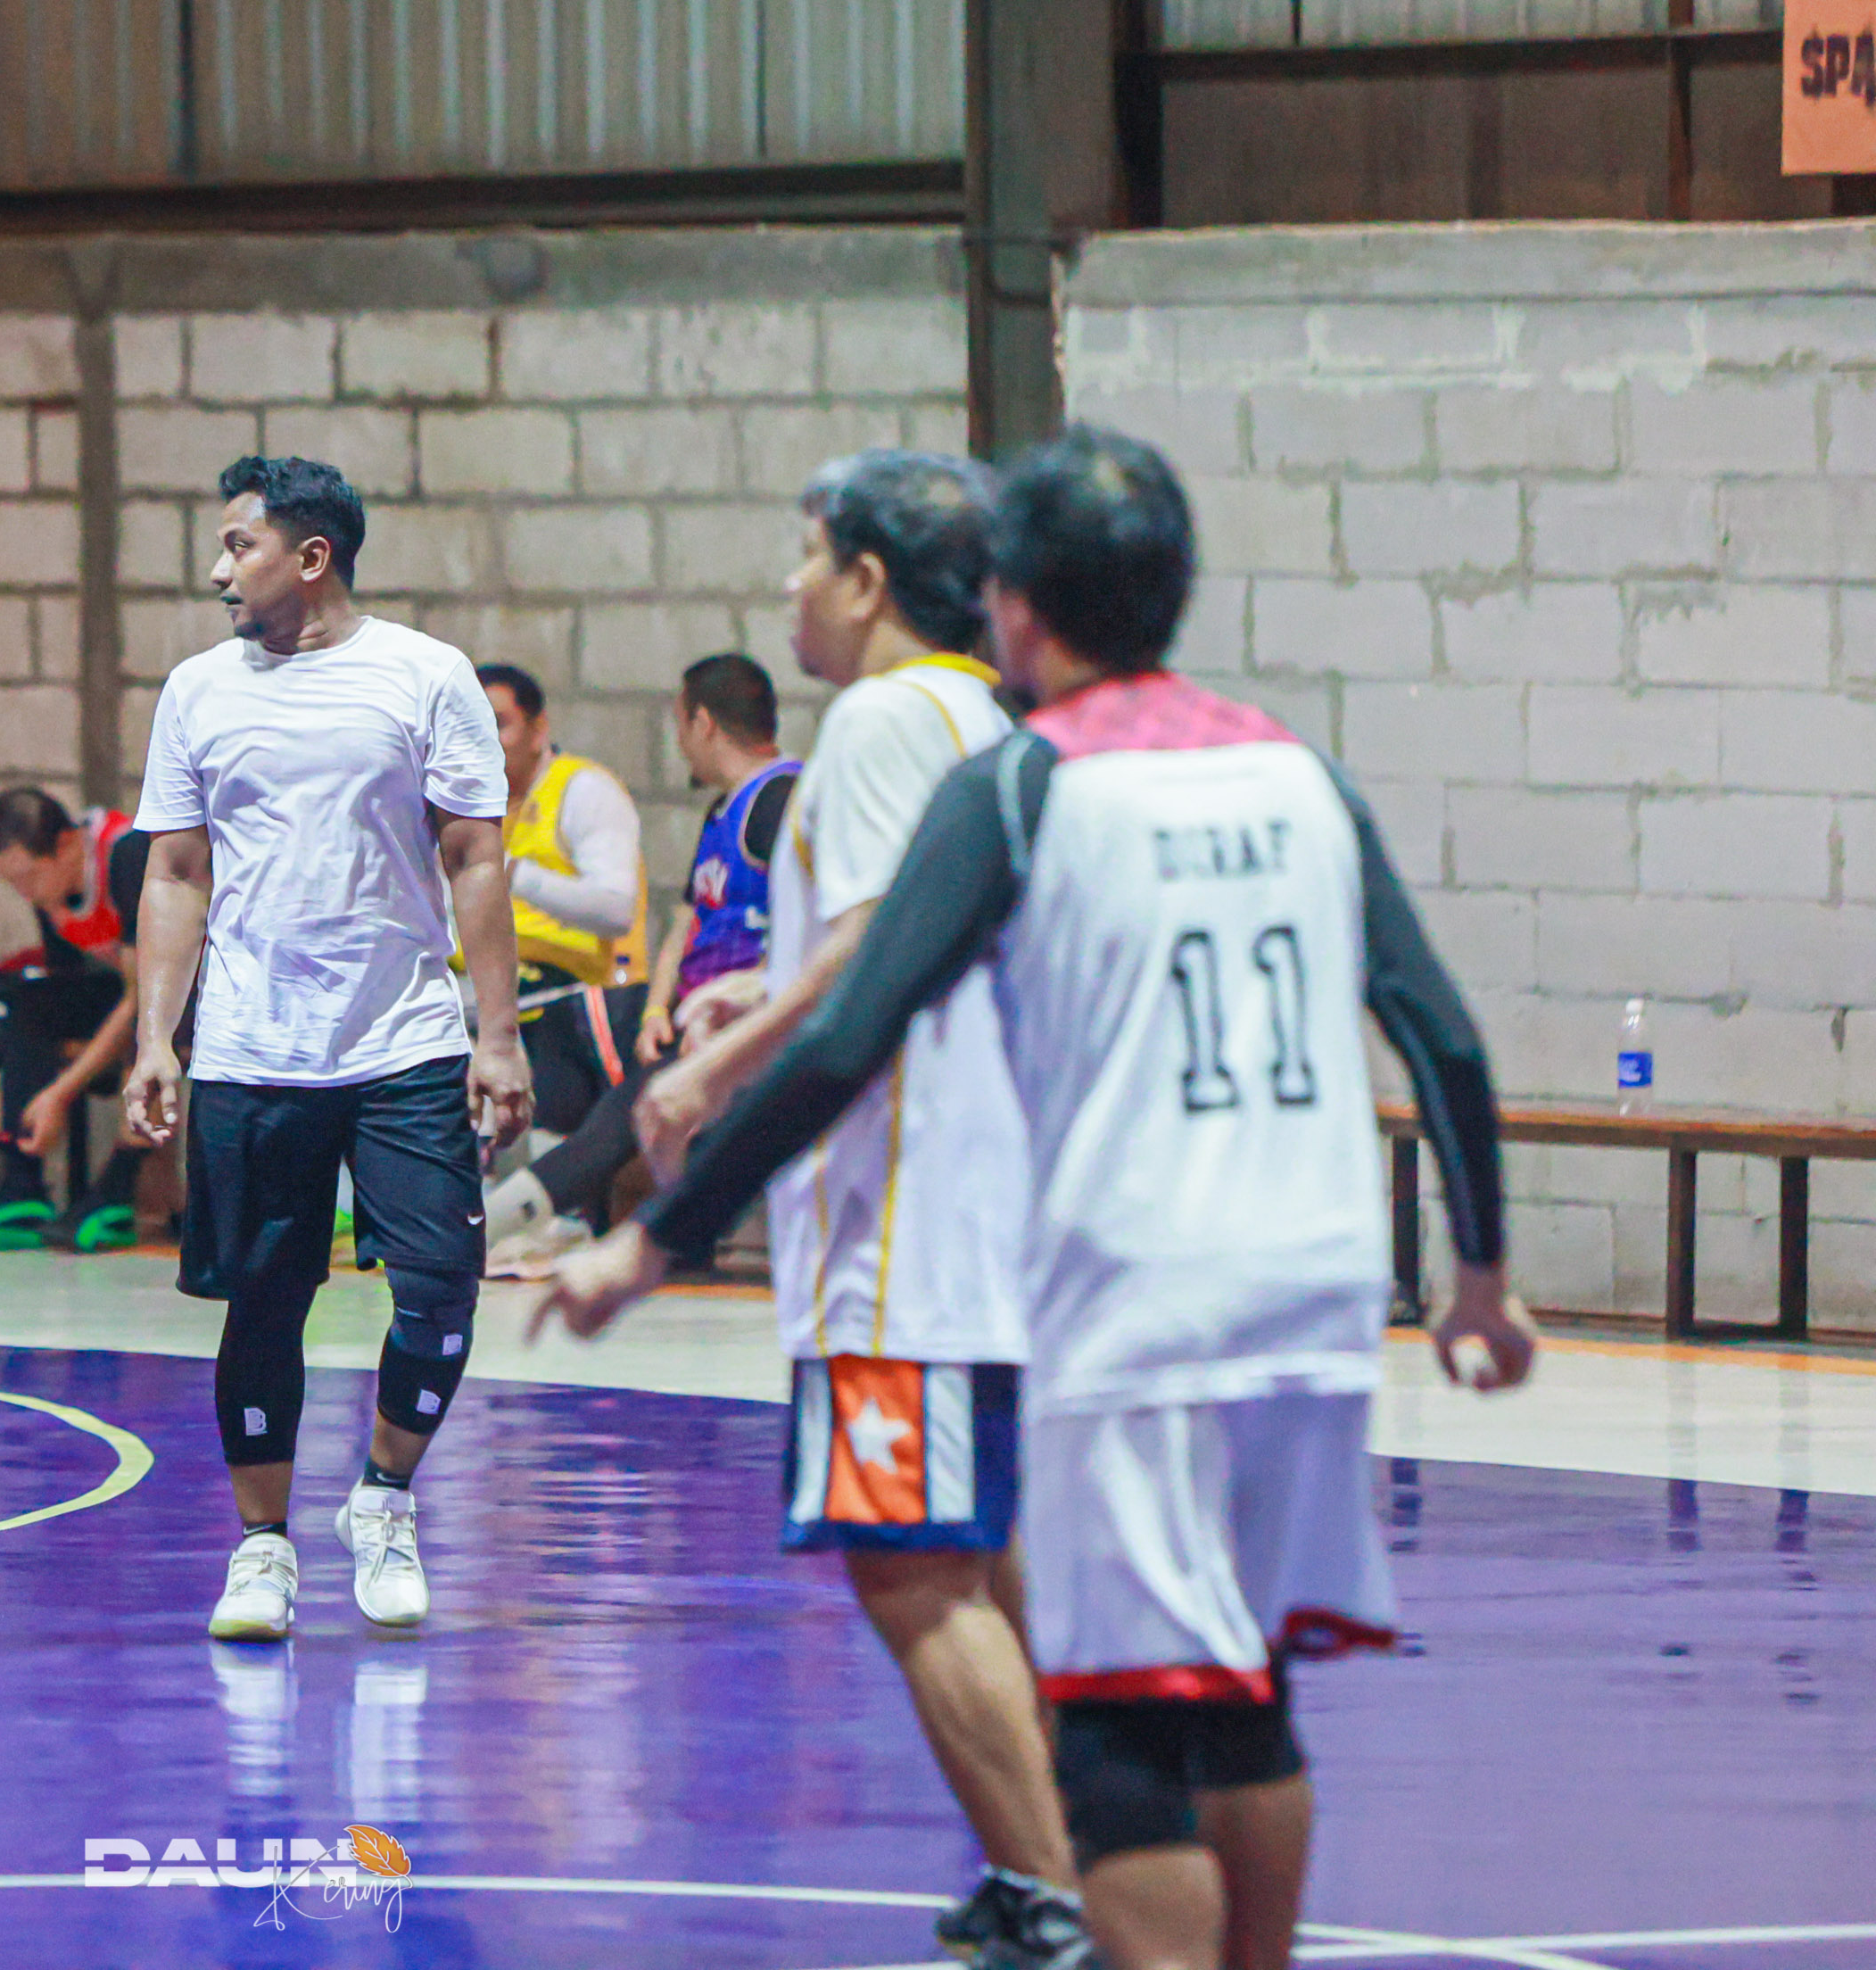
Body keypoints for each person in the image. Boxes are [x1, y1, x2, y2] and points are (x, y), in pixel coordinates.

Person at [540, 428, 1539, 1970]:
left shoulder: (1024, 783)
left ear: (1014, 600)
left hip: (1143, 1288)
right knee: (1244, 1686)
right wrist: (1477, 1271)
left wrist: (650, 1243)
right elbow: (1445, 1035)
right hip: (1319, 1291)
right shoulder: (1296, 769)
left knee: (1121, 1720)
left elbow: (850, 1035)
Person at [571, 452, 1083, 1964]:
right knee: (988, 1556)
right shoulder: (991, 719)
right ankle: (1067, 1858)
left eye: (806, 556)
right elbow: (905, 938)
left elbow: (866, 956)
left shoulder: (874, 719)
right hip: (998, 1204)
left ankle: (1061, 1894)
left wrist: (708, 1066)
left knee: (909, 1563)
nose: (789, 587)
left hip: (902, 1222)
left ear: (867, 580)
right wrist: (759, 992)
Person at [125, 454, 532, 1643]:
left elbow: (475, 858)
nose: (218, 572)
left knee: (442, 1288)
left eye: (237, 545)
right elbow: (176, 872)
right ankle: (263, 1550)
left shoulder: (425, 676)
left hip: (403, 1042)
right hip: (252, 1052)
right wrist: (157, 1040)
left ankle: (385, 1495)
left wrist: (497, 1036)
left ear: (311, 558)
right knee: (263, 1303)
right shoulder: (197, 691)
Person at [483, 652, 797, 1275]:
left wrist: (756, 995)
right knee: (618, 1109)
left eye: (679, 725)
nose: (678, 744)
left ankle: (478, 1234)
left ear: (702, 723)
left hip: (746, 1023)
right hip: (688, 1019)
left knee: (623, 1117)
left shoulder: (781, 800)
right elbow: (688, 920)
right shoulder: (723, 808)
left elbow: (809, 921)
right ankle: (556, 1227)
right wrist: (658, 1007)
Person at [0, 788, 148, 1253]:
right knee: (33, 1001)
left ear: (67, 845)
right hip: (134, 993)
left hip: (200, 995)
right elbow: (63, 988)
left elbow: (145, 998)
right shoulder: (50, 891)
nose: (26, 893)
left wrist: (60, 1092)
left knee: (154, 1037)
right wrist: (6, 1094)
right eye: (13, 883)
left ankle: (118, 1190)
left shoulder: (129, 857)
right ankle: (21, 1185)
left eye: (28, 877)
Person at [475, 665, 646, 1156]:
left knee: (546, 1155)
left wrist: (512, 873)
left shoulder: (583, 789)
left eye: (499, 723)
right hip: (480, 1003)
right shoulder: (466, 798)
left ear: (539, 729)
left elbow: (617, 908)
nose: (484, 738)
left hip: (567, 1006)